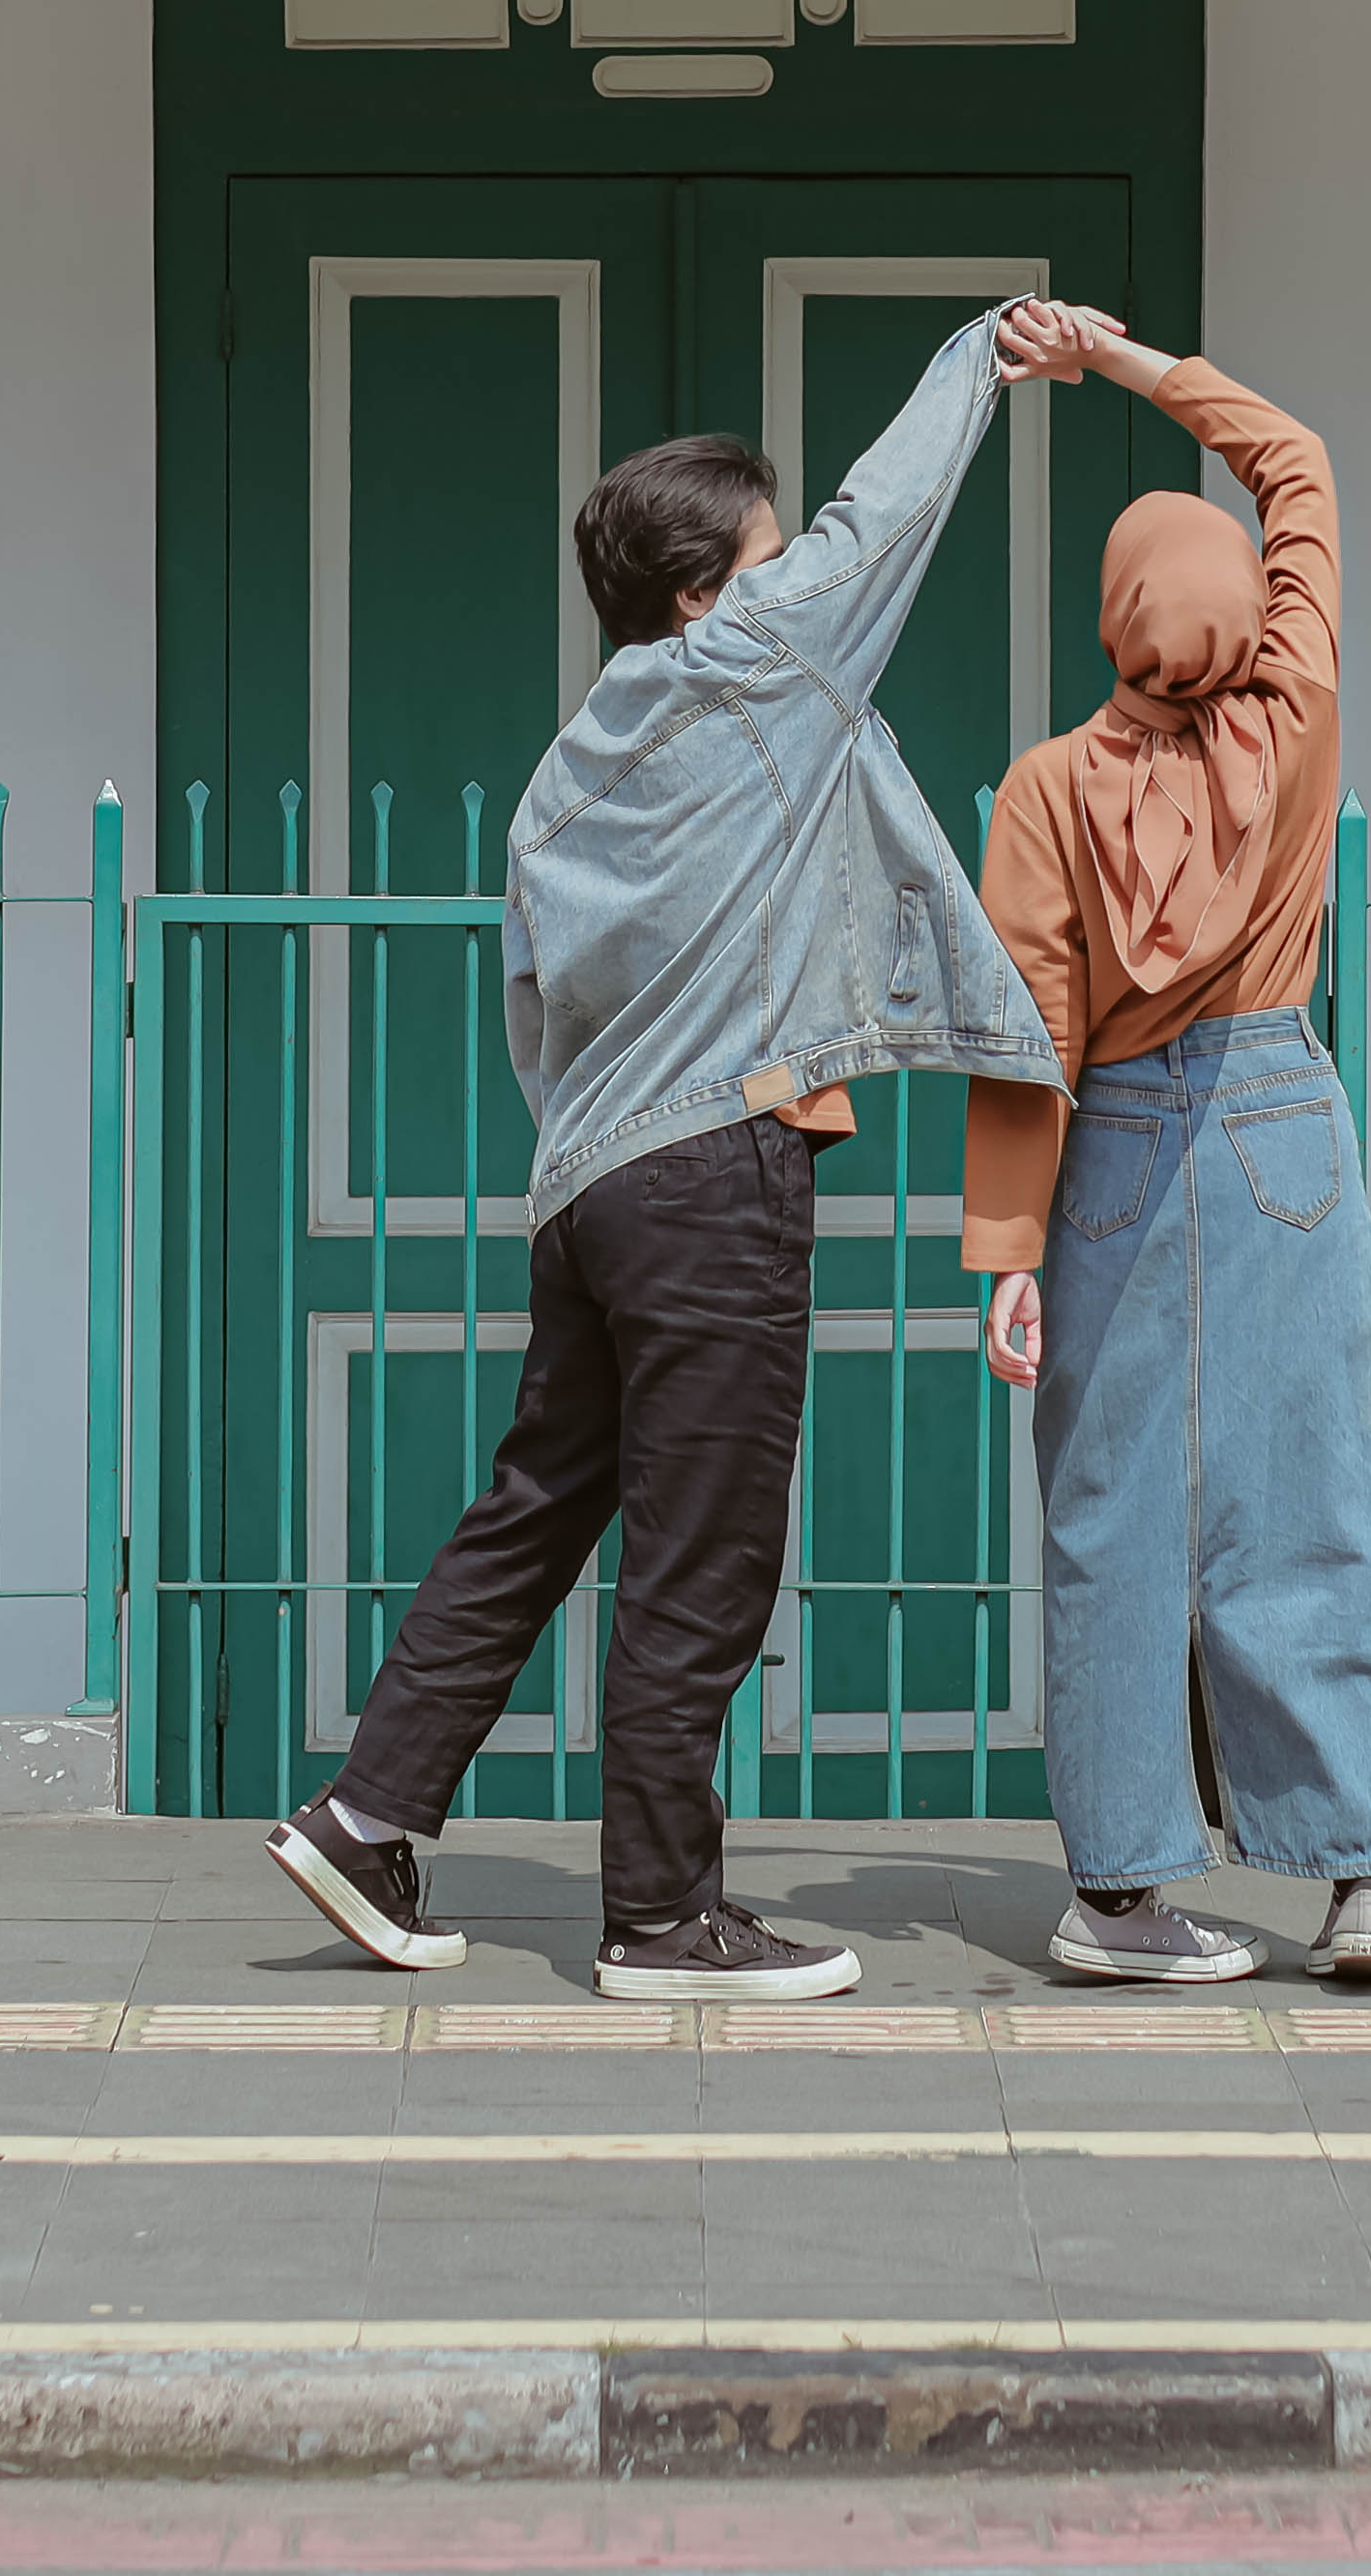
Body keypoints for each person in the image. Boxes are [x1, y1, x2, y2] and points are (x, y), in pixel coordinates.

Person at [266, 302, 1076, 2002]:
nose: (802, 589)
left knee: (538, 1511)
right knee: (706, 1549)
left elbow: (533, 1014)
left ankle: (362, 1814)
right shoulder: (755, 671)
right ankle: (661, 1918)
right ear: (709, 593)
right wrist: (979, 360)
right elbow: (887, 521)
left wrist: (592, 1154)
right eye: (768, 564)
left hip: (595, 1188)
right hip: (713, 1176)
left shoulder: (565, 776)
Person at [961, 307, 1371, 1987]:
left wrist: (1007, 1253)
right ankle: (1352, 1869)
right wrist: (1128, 363)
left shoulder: (1045, 788)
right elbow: (1296, 464)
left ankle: (1125, 1891)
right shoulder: (1292, 713)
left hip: (1123, 1145)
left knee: (1111, 1519)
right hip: (1284, 1117)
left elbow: (1031, 1040)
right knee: (1312, 1498)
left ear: (1116, 620)